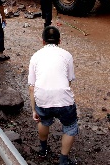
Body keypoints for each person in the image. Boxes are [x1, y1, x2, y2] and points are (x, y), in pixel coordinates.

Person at [28, 26, 78, 165]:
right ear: (59, 41)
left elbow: (32, 87)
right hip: (64, 100)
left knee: (43, 121)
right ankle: (63, 160)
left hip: (42, 99)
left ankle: (43, 150)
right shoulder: (67, 55)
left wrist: (34, 110)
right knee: (70, 128)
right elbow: (68, 81)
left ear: (42, 41)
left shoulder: (35, 56)